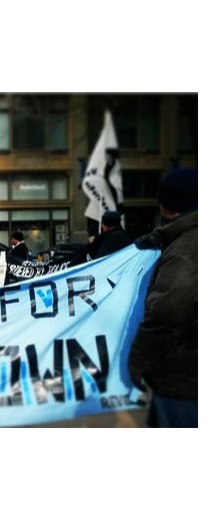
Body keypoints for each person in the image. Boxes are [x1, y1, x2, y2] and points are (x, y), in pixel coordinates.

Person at [128, 167, 197, 427]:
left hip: (184, 384)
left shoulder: (185, 251)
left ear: (168, 208)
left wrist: (136, 359)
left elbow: (167, 311)